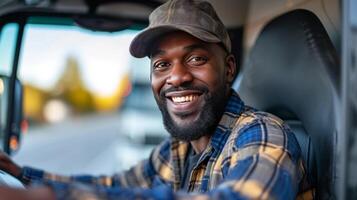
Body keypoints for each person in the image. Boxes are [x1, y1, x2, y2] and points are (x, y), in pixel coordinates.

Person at [0, 0, 313, 199]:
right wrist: (20, 174)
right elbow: (114, 185)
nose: (176, 78)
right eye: (161, 64)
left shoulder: (263, 133)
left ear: (229, 69)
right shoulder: (178, 149)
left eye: (196, 58)